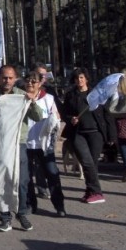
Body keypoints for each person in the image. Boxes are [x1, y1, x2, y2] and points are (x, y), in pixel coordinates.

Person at [0, 65, 43, 232]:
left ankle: (22, 213)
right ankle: (5, 217)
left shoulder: (21, 96)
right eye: (4, 77)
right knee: (2, 182)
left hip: (18, 143)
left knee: (22, 181)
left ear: (15, 79)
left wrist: (32, 102)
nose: (7, 81)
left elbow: (38, 116)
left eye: (10, 78)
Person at [23, 73, 67, 218]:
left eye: (33, 81)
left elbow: (56, 118)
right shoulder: (20, 98)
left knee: (52, 174)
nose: (30, 84)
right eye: (28, 81)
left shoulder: (48, 99)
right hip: (26, 143)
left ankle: (59, 205)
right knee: (27, 177)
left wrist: (55, 120)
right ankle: (31, 205)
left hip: (44, 144)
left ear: (39, 84)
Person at [62, 68, 107, 204]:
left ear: (86, 79)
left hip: (95, 133)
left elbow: (106, 114)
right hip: (78, 133)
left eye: (81, 77)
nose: (79, 80)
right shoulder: (70, 95)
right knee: (86, 162)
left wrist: (111, 136)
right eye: (76, 78)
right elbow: (64, 113)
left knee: (92, 164)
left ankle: (89, 191)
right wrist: (71, 119)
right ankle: (97, 192)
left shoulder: (96, 94)